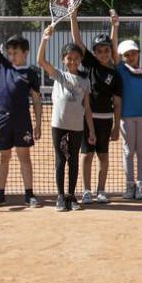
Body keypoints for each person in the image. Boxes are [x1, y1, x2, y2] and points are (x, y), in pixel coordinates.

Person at [0, 6, 43, 208]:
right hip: (2, 117)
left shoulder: (31, 73)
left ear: (25, 52)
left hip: (22, 119)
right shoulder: (5, 66)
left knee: (24, 157)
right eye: (9, 52)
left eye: (15, 52)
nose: (11, 55)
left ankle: (29, 194)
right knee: (3, 157)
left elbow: (36, 99)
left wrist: (38, 123)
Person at [37, 24, 95, 212]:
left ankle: (71, 196)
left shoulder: (85, 80)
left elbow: (86, 106)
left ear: (80, 60)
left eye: (76, 59)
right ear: (63, 60)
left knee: (74, 161)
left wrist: (91, 130)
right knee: (61, 159)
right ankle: (60, 196)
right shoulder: (59, 75)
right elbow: (40, 61)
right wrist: (45, 38)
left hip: (77, 126)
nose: (73, 61)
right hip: (58, 125)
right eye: (69, 58)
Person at [69, 9, 122, 204]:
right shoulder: (90, 64)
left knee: (103, 155)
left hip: (106, 120)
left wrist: (116, 126)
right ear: (94, 52)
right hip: (87, 118)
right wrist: (73, 16)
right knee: (87, 155)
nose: (102, 53)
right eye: (99, 50)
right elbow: (77, 39)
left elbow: (117, 104)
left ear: (111, 52)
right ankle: (87, 190)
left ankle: (101, 190)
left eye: (106, 50)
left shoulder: (115, 74)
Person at [115, 36, 142, 200]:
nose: (131, 57)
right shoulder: (120, 70)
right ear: (122, 56)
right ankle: (129, 185)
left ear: (138, 54)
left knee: (141, 151)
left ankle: (140, 185)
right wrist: (114, 25)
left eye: (133, 53)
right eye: (127, 54)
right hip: (126, 116)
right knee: (129, 151)